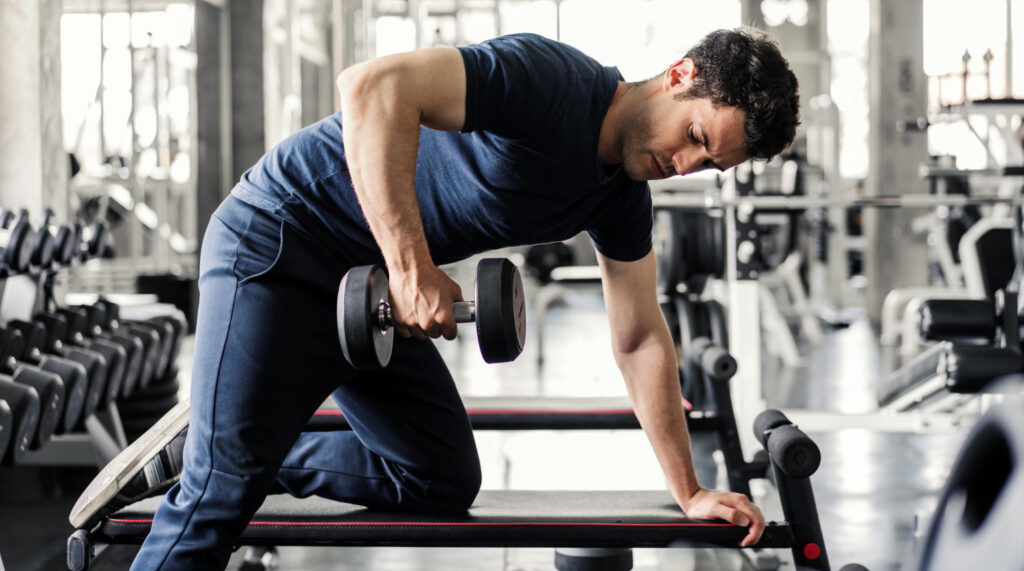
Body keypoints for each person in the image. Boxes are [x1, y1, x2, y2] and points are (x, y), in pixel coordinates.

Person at [73, 28, 800, 569]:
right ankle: (221, 455)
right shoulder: (552, 82)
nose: (685, 164)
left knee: (438, 476)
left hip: (365, 286)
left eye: (710, 163)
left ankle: (224, 443)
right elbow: (373, 86)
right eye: (697, 136)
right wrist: (412, 267)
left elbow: (641, 336)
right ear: (681, 74)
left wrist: (689, 489)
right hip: (279, 238)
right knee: (217, 501)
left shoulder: (621, 197)